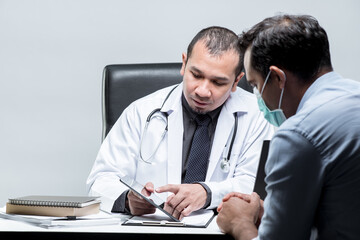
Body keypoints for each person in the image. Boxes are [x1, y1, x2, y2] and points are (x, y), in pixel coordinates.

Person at [86, 26, 274, 219]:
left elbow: (258, 184)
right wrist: (127, 200)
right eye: (196, 75)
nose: (202, 91)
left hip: (222, 230)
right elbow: (100, 181)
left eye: (218, 82)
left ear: (236, 81)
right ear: (184, 64)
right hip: (152, 229)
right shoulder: (141, 112)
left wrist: (207, 192)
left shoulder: (258, 115)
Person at [216, 14, 360, 239]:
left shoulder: (297, 134)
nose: (257, 95)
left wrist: (239, 222)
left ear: (277, 78)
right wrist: (275, 209)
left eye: (255, 84)